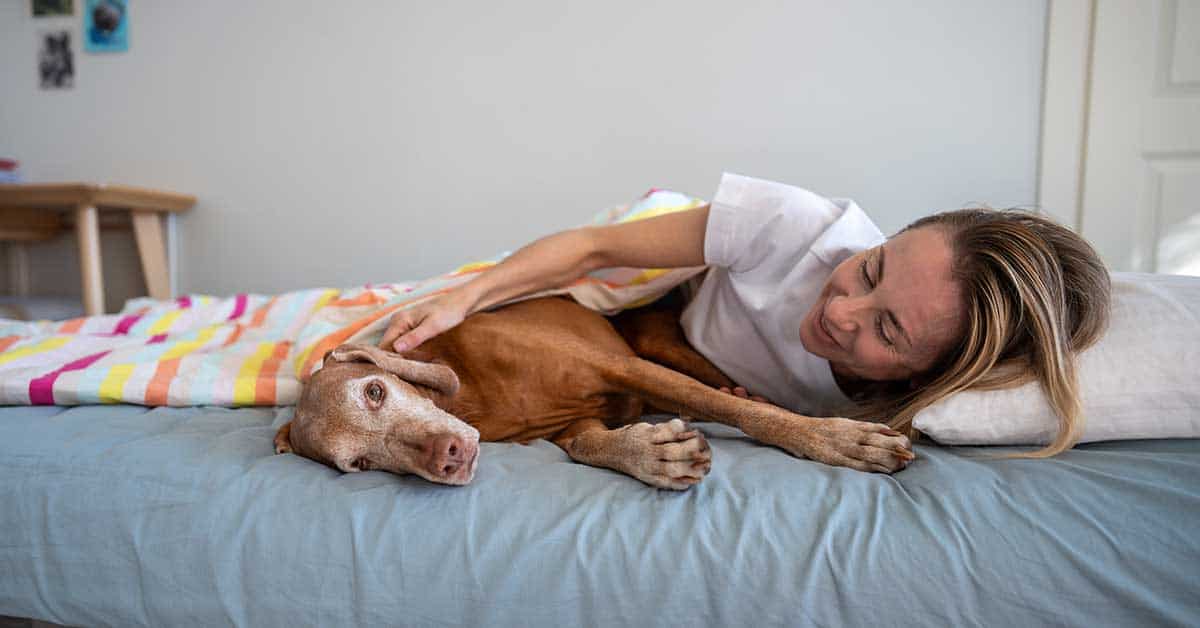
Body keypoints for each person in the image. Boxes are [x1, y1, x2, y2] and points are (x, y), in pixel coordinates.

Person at [380, 173, 1111, 458]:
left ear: (934, 371)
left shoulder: (931, 404)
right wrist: (467, 296)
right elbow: (595, 248)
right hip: (660, 315)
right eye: (875, 265)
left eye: (887, 330)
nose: (842, 308)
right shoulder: (793, 227)